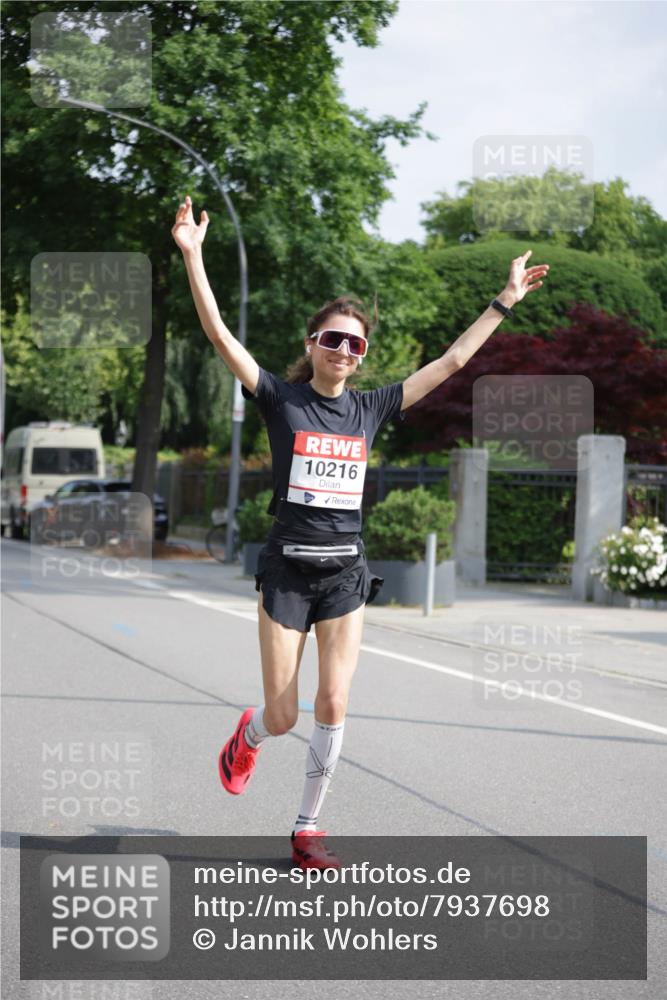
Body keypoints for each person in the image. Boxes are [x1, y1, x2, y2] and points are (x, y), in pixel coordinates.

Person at [172, 195, 549, 869]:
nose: (343, 349)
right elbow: (220, 336)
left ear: (361, 354)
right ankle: (248, 737)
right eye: (331, 339)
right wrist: (194, 256)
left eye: (355, 343)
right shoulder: (278, 399)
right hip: (287, 572)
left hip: (344, 573)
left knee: (335, 699)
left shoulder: (372, 407)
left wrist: (504, 300)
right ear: (310, 345)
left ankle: (307, 830)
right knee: (282, 716)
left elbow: (452, 363)